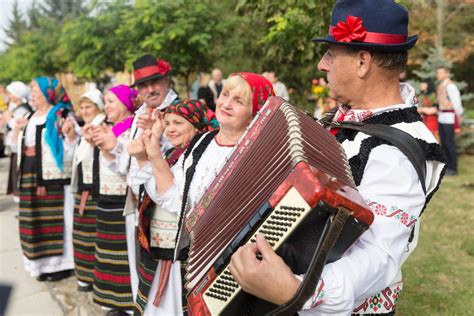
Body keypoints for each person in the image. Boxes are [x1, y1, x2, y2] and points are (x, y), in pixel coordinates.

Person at [229, 1, 446, 314]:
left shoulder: (398, 150)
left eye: (330, 53)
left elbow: (377, 256)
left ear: (362, 62)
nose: (322, 64)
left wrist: (296, 290)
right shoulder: (341, 118)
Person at [142, 73, 274, 315]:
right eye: (225, 94)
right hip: (198, 262)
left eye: (239, 100)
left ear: (255, 112)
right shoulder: (201, 144)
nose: (226, 103)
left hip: (241, 266)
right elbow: (175, 199)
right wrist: (153, 154)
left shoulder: (261, 153)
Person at [129, 99, 218, 315]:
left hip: (183, 252)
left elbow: (174, 201)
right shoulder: (175, 155)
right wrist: (144, 158)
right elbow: (155, 191)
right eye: (167, 123)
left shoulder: (202, 157)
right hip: (163, 248)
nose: (170, 129)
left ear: (197, 125)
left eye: (177, 123)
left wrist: (151, 157)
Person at [124, 54, 179, 302]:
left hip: (168, 203)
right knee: (144, 271)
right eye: (143, 86)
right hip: (142, 201)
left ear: (167, 80)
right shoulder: (138, 115)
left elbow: (183, 151)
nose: (150, 89)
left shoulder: (180, 109)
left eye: (155, 82)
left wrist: (159, 135)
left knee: (169, 281)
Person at [16, 77, 76, 282]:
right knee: (34, 221)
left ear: (47, 93)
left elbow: (70, 145)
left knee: (58, 220)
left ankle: (62, 265)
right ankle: (39, 264)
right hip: (30, 173)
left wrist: (69, 135)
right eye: (32, 90)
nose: (32, 94)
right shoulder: (31, 116)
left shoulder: (60, 114)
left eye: (36, 91)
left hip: (52, 178)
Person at [90, 85, 138, 315]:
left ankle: (129, 305)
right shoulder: (113, 129)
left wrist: (111, 146)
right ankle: (115, 302)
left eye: (111, 101)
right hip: (107, 198)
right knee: (111, 252)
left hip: (125, 201)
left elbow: (129, 169)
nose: (106, 106)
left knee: (126, 254)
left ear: (125, 104)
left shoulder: (132, 130)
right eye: (105, 102)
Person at [65, 89, 106, 292]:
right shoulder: (86, 128)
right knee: (83, 238)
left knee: (96, 238)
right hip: (84, 190)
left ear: (97, 107)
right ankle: (86, 278)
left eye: (88, 106)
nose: (84, 111)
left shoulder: (102, 126)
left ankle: (94, 279)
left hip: (95, 190)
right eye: (81, 107)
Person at [1, 81, 33, 200]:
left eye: (10, 94)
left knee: (18, 173)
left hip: (19, 146)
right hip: (14, 146)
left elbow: (19, 127)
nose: (8, 96)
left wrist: (9, 119)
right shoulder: (14, 107)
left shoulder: (22, 109)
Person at [436, 66, 464, 176]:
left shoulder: (451, 86)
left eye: (441, 73)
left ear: (447, 74)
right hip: (441, 117)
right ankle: (447, 166)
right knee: (444, 142)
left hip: (449, 118)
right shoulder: (441, 86)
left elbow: (456, 103)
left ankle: (453, 168)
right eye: (438, 73)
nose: (438, 75)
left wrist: (459, 116)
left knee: (449, 143)